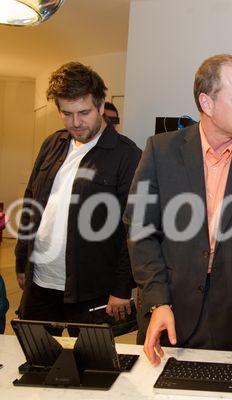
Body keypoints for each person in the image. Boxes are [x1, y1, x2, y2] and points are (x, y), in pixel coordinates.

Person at [125, 54, 232, 370]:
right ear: (207, 103)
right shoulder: (160, 152)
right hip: (166, 313)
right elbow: (140, 230)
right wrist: (157, 299)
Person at [15, 62, 141, 331]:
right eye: (67, 113)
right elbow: (31, 203)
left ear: (101, 105)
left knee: (86, 367)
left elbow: (133, 229)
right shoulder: (52, 143)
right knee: (36, 361)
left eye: (83, 112)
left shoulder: (127, 155)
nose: (76, 123)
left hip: (90, 291)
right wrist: (21, 258)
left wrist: (122, 288)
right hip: (40, 283)